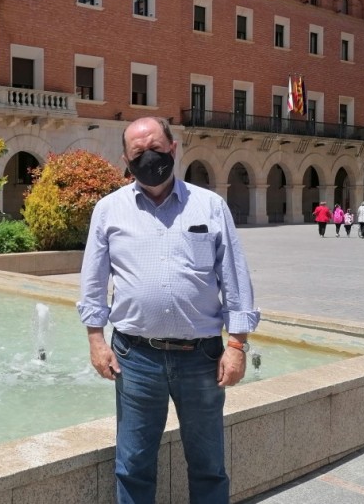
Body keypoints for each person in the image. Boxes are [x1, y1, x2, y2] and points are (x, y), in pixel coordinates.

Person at [78, 117, 260, 504]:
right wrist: (96, 339)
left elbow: (234, 278)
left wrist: (237, 345)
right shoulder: (109, 210)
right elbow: (93, 282)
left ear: (173, 149)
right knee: (134, 466)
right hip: (135, 356)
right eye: (138, 152)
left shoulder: (210, 206)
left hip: (202, 357)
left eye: (156, 148)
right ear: (125, 159)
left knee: (209, 465)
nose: (149, 157)